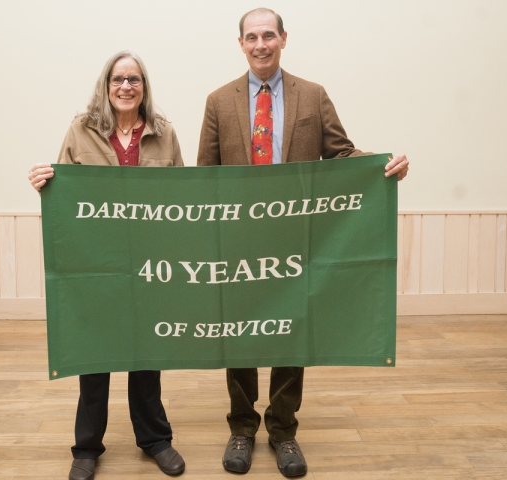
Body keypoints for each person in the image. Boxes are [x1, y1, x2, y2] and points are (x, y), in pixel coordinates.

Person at [197, 8, 409, 478]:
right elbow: (205, 176)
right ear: (240, 44)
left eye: (268, 35)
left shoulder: (312, 95)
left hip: (298, 239)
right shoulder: (217, 101)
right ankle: (241, 426)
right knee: (241, 333)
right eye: (251, 37)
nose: (260, 44)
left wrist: (381, 165)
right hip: (237, 241)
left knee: (291, 330)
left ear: (284, 39)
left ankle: (283, 429)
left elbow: (341, 154)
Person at [28, 51, 185, 480]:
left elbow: (181, 199)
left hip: (149, 263)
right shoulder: (81, 130)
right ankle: (86, 447)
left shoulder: (164, 133)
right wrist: (44, 183)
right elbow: (62, 193)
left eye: (134, 79)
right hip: (96, 263)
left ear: (144, 86)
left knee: (145, 353)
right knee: (94, 355)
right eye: (118, 79)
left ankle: (155, 440)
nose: (126, 86)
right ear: (106, 84)